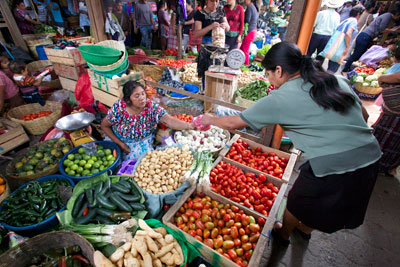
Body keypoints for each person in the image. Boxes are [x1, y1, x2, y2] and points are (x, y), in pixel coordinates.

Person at [201, 41, 381, 244]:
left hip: (334, 162)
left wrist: (210, 119)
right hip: (371, 155)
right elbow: (364, 115)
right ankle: (305, 229)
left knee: (297, 200)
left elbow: (235, 122)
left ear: (278, 70)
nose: (269, 80)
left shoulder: (281, 97)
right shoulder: (335, 79)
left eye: (268, 74)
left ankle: (283, 235)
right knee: (331, 202)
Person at [101, 81, 195, 161]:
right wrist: (119, 143)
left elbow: (169, 120)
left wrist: (189, 125)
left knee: (144, 162)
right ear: (128, 99)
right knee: (113, 159)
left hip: (141, 142)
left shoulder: (151, 107)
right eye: (136, 96)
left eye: (143, 93)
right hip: (119, 139)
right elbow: (104, 126)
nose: (142, 98)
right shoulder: (119, 108)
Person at [342, 2, 400, 73]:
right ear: (397, 14)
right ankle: (345, 70)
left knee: (358, 55)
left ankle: (348, 70)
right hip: (365, 36)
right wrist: (393, 30)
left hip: (365, 36)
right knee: (356, 55)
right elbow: (382, 29)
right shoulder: (388, 16)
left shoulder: (387, 16)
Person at [373, 46, 400, 175]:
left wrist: (382, 79)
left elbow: (397, 77)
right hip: (393, 113)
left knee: (388, 138)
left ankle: (378, 164)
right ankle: (387, 167)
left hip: (395, 116)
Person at [319, 6, 364, 73]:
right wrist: (348, 47)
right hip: (340, 48)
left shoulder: (347, 20)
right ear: (358, 14)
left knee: (330, 69)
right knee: (331, 70)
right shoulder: (353, 21)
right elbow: (348, 33)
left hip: (335, 46)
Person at [240, 0, 258, 65]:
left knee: (245, 50)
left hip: (249, 32)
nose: (245, 1)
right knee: (242, 49)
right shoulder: (254, 7)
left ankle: (246, 65)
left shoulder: (250, 7)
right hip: (253, 31)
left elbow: (247, 20)